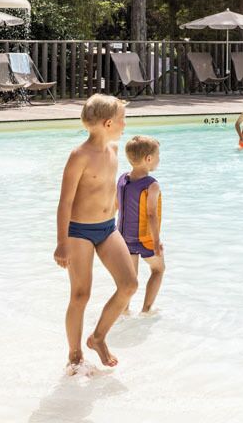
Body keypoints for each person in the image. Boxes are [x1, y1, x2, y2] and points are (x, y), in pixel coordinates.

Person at [53, 94, 139, 371]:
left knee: (129, 285)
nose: (125, 125)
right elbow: (65, 201)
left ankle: (98, 337)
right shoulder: (79, 156)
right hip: (78, 231)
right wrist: (61, 243)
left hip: (106, 228)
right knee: (80, 294)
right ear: (108, 123)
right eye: (122, 120)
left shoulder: (114, 150)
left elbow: (110, 188)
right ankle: (75, 353)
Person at [118, 135, 165, 315]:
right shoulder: (151, 185)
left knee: (130, 279)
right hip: (144, 238)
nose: (159, 159)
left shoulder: (122, 179)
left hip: (123, 238)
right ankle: (146, 310)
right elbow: (151, 214)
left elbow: (117, 205)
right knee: (158, 269)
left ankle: (124, 311)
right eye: (158, 155)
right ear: (148, 159)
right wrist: (156, 241)